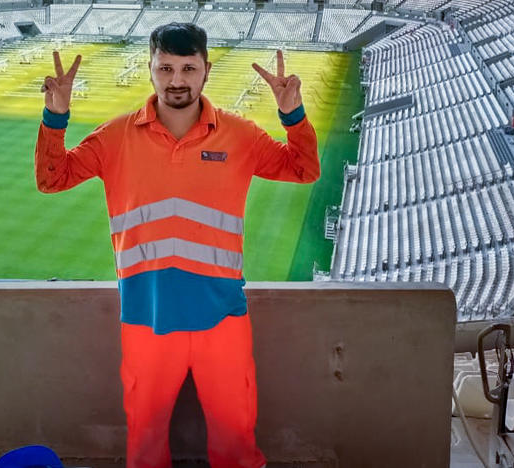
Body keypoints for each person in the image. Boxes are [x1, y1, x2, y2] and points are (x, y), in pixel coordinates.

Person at [35, 22, 319, 468]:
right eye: (165, 67)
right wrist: (56, 116)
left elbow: (304, 169)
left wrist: (292, 112)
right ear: (149, 68)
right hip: (146, 317)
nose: (177, 80)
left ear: (207, 70)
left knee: (236, 442)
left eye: (188, 68)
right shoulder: (115, 137)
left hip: (222, 315)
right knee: (145, 445)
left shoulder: (240, 135)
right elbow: (52, 179)